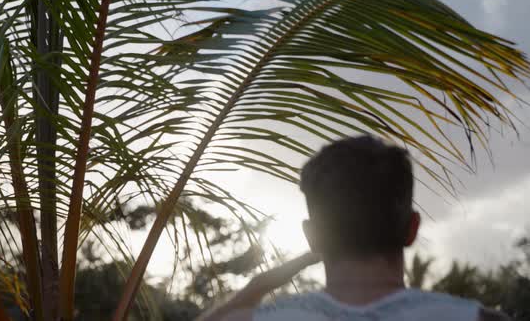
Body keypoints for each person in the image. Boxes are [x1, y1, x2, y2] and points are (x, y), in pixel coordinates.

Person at [196, 135, 510, 321]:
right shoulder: (477, 318)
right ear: (412, 228)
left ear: (312, 236)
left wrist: (259, 285)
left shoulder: (263, 319)